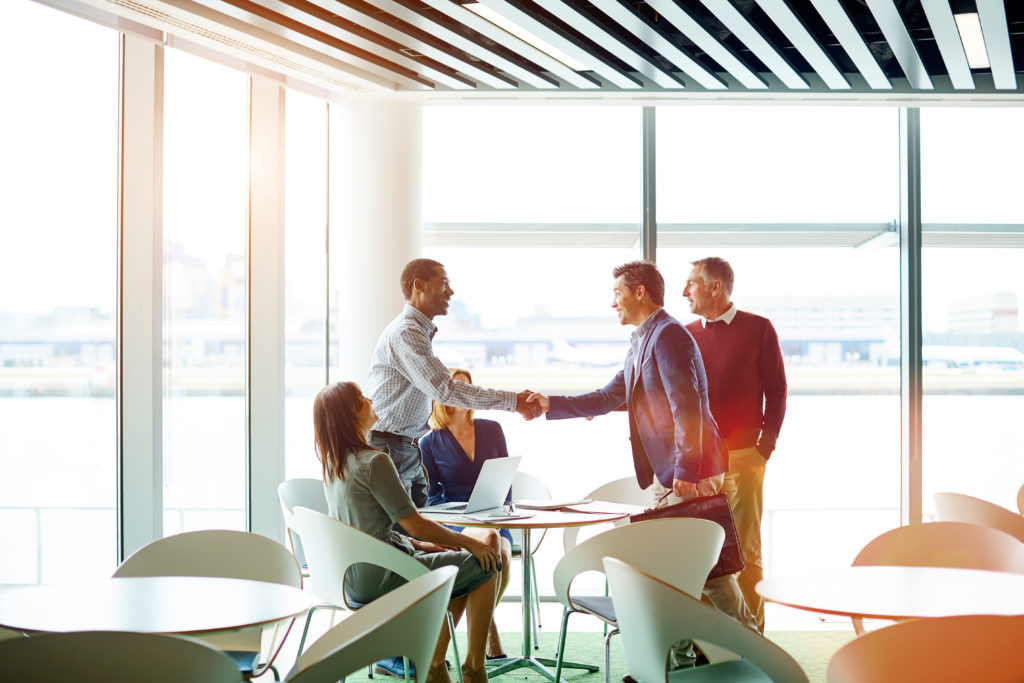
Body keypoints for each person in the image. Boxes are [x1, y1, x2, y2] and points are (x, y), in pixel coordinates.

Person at [526, 260, 756, 659]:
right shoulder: (642, 343)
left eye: (617, 293)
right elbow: (606, 396)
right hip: (669, 476)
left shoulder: (669, 337)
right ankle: (682, 659)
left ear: (639, 293)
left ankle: (748, 653)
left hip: (689, 475)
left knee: (705, 574)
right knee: (682, 573)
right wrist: (550, 404)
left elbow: (687, 408)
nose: (612, 301)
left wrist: (685, 472)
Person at [314, 381, 500, 683]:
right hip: (383, 573)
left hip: (350, 577)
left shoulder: (335, 464)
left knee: (473, 557)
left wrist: (420, 545)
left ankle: (435, 662)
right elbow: (415, 522)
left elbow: (368, 529)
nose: (371, 399)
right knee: (487, 561)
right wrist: (468, 543)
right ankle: (472, 668)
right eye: (362, 398)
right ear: (349, 414)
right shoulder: (374, 461)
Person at [367, 258, 539, 509]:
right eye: (444, 283)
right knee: (400, 534)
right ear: (419, 285)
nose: (451, 291)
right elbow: (445, 389)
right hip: (392, 446)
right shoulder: (407, 332)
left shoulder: (416, 332)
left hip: (405, 446)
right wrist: (515, 402)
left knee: (415, 532)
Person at [683, 257, 786, 635]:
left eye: (691, 283)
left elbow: (777, 390)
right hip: (698, 464)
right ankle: (708, 642)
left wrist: (764, 448)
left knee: (746, 552)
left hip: (745, 457)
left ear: (715, 287)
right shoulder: (686, 333)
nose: (684, 291)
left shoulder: (758, 329)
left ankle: (754, 639)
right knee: (701, 553)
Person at [420, 367, 514, 661]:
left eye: (466, 388)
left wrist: (503, 510)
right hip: (456, 520)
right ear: (441, 394)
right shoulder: (429, 442)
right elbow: (432, 497)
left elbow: (505, 478)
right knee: (490, 549)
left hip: (494, 513)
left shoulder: (492, 429)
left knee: (503, 554)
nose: (462, 394)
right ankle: (488, 631)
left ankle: (484, 624)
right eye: (454, 388)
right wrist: (452, 515)